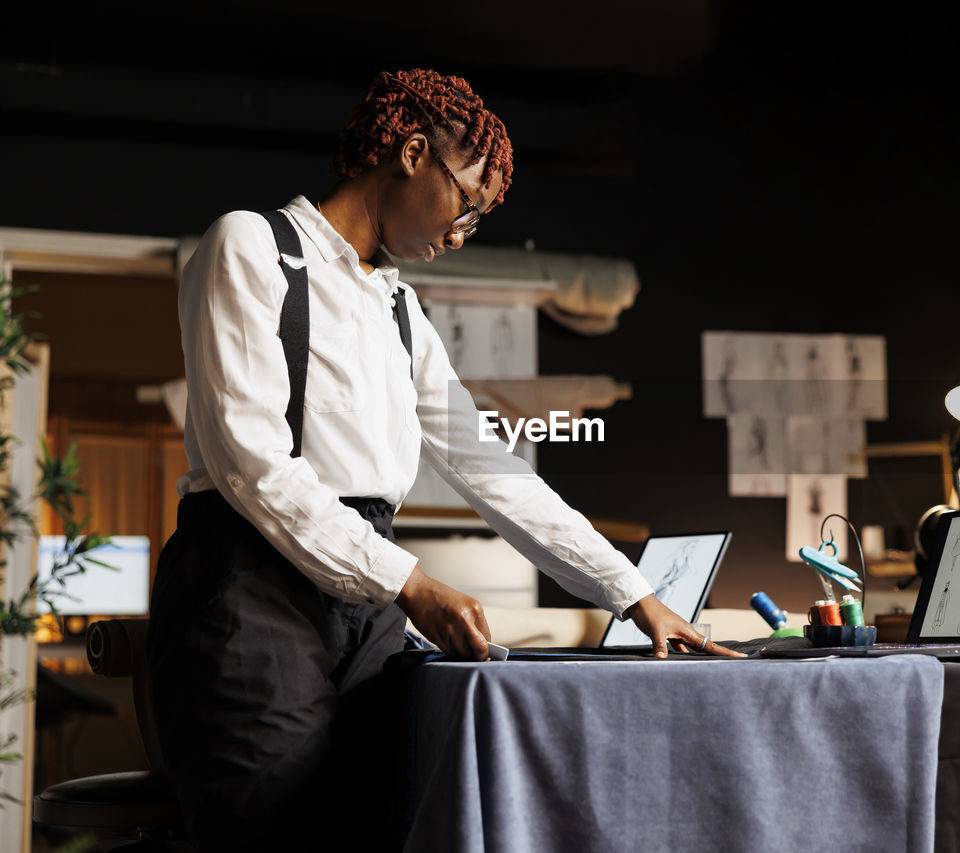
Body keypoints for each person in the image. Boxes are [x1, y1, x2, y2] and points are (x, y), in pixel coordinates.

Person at [147, 67, 740, 851]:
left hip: (366, 607)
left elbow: (491, 470)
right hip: (245, 588)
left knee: (392, 827)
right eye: (465, 204)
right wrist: (413, 583)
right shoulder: (251, 248)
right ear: (412, 151)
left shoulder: (399, 310)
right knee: (273, 833)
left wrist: (633, 593)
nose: (460, 234)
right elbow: (253, 467)